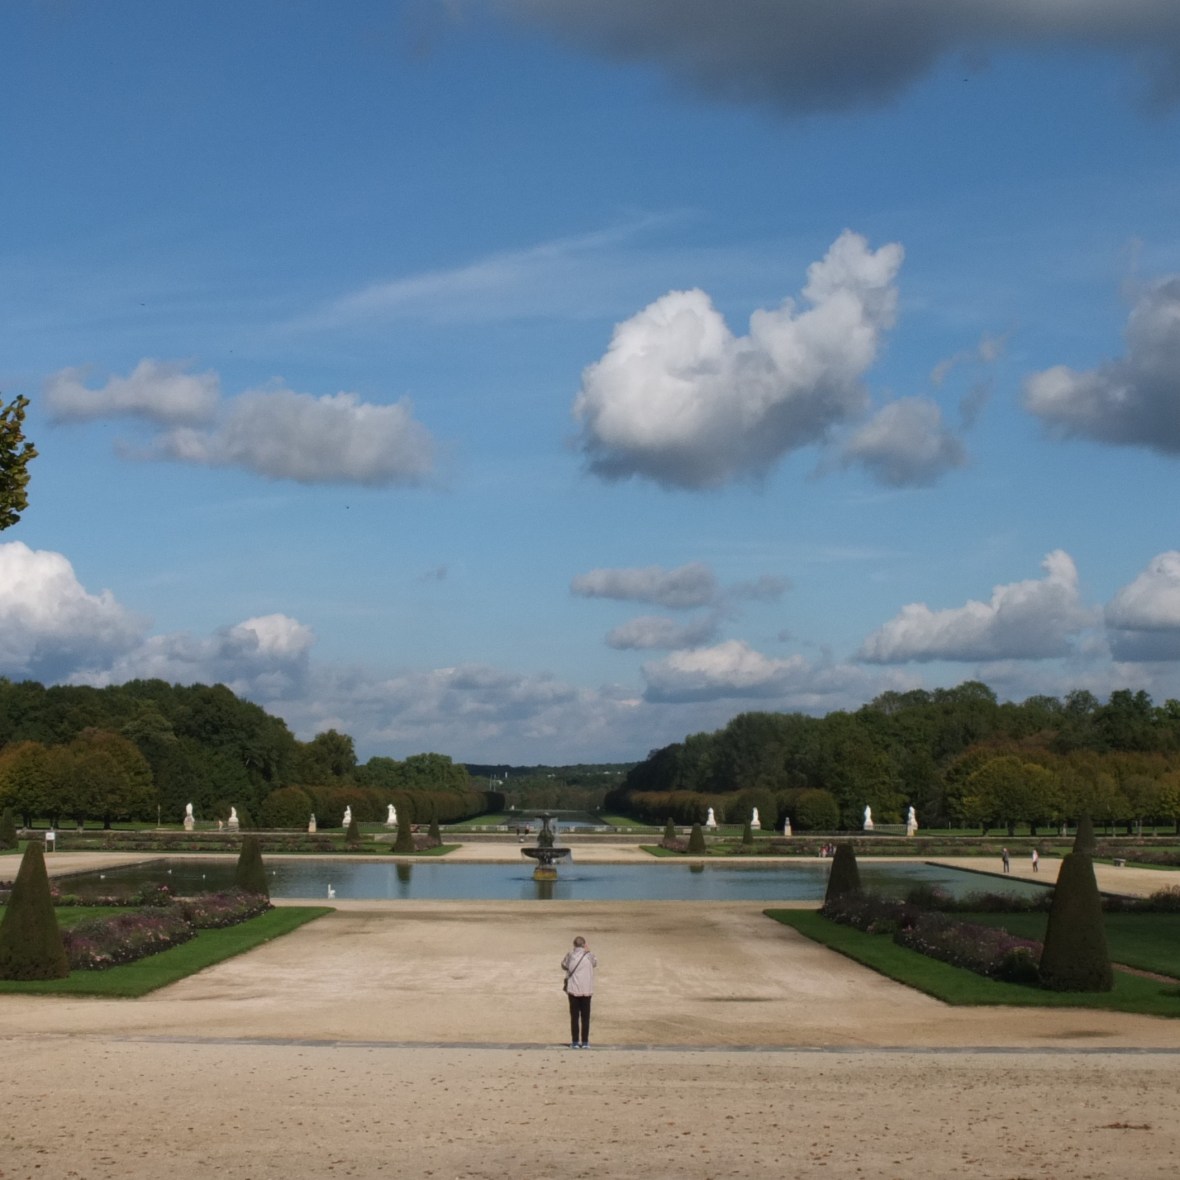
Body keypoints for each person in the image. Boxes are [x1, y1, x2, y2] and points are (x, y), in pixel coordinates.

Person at [562, 935, 597, 1049]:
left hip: (573, 991)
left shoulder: (570, 955)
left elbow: (563, 965)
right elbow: (595, 963)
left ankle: (575, 1042)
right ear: (584, 944)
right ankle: (585, 1042)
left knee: (574, 1017)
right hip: (586, 991)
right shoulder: (589, 956)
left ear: (574, 945)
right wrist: (588, 950)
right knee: (585, 1017)